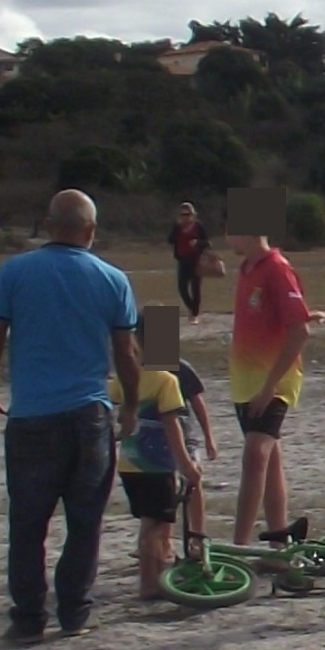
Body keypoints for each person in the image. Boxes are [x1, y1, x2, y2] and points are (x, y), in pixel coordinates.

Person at [0, 190, 143, 643]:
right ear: (90, 231)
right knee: (85, 521)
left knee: (28, 524)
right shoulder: (112, 279)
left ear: (48, 226)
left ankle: (28, 618)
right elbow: (127, 352)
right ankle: (74, 611)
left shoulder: (13, 272)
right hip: (89, 414)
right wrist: (129, 404)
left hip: (32, 417)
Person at [115, 305, 214, 609]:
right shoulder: (161, 380)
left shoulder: (127, 376)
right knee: (155, 523)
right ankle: (150, 582)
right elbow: (171, 424)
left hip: (132, 462)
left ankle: (185, 546)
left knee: (156, 517)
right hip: (161, 460)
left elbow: (115, 415)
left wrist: (208, 438)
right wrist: (185, 462)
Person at [225, 226, 311, 549]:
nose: (227, 236)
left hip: (272, 381)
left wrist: (269, 386)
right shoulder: (246, 269)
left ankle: (238, 547)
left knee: (254, 455)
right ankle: (280, 544)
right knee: (269, 459)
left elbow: (300, 330)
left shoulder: (277, 268)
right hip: (245, 381)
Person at [167, 202, 216, 320]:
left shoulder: (198, 226)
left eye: (188, 214)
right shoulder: (177, 227)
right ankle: (192, 309)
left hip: (196, 260)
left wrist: (197, 242)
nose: (185, 217)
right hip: (182, 260)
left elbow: (208, 242)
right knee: (182, 288)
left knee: (195, 288)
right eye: (183, 214)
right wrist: (177, 229)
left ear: (193, 214)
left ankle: (194, 314)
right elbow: (170, 240)